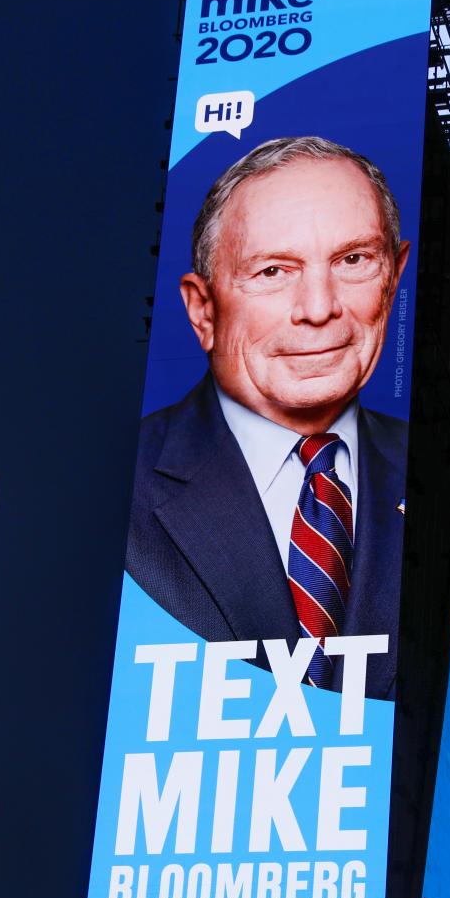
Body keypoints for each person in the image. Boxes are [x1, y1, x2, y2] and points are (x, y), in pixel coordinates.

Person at [126, 136, 409, 697]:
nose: (318, 308)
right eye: (274, 271)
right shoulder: (117, 482)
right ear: (201, 309)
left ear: (393, 276)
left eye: (353, 260)